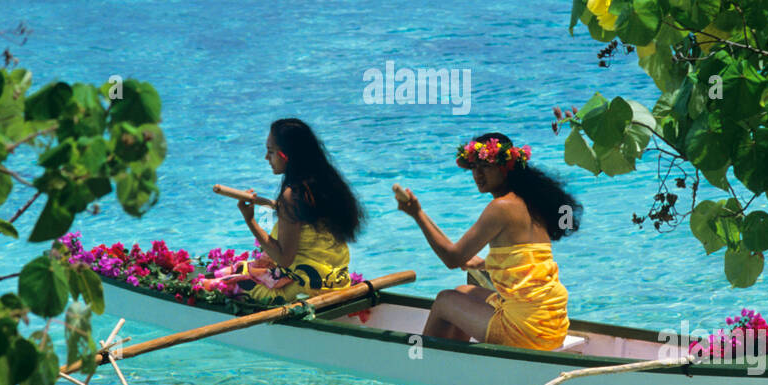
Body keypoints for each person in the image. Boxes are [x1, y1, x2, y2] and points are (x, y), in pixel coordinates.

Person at [393, 133, 581, 350]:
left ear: (506, 167)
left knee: (445, 300)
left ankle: (425, 365)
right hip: (553, 324)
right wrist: (483, 263)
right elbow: (527, 261)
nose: (477, 174)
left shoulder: (501, 207)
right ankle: (456, 361)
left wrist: (417, 214)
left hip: (527, 330)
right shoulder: (533, 202)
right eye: (474, 167)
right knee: (464, 291)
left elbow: (452, 258)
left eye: (485, 166)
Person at [200, 118, 364, 303]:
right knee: (237, 269)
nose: (266, 158)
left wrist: (250, 220)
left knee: (223, 285)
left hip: (306, 290)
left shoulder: (291, 195)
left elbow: (284, 259)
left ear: (286, 156)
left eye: (270, 152)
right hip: (335, 281)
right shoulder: (326, 184)